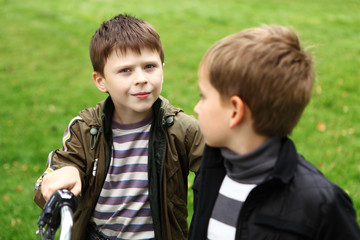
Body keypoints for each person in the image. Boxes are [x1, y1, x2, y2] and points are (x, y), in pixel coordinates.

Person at [34, 13, 204, 240]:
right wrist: (64, 174)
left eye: (150, 66)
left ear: (163, 67)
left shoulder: (181, 129)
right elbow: (58, 169)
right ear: (100, 80)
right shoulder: (86, 129)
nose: (141, 78)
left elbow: (220, 166)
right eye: (126, 70)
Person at [188, 25, 360, 240]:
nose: (197, 108)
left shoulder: (320, 204)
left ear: (235, 111)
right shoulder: (213, 169)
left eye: (203, 96)